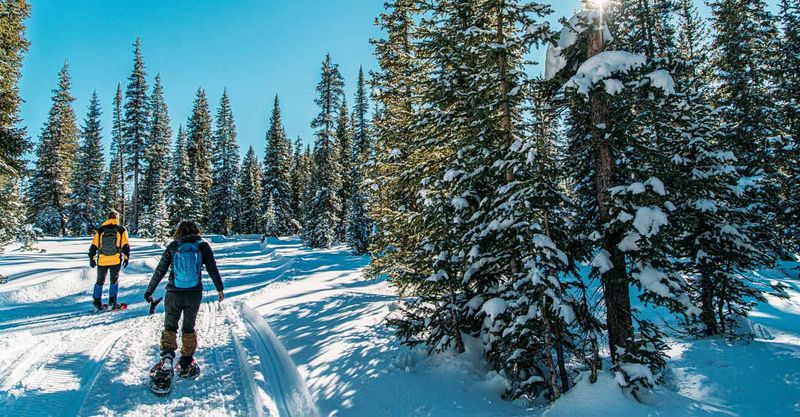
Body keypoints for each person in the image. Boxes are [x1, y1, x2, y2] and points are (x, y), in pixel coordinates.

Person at [144, 220, 224, 380]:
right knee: (189, 327)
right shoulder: (203, 246)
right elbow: (212, 268)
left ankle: (167, 358)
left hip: (174, 293)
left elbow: (160, 270)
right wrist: (219, 289)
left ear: (179, 232)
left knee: (170, 325)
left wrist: (149, 291)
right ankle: (186, 362)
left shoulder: (174, 246)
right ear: (197, 231)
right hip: (194, 294)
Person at [88, 210, 130, 310]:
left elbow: (94, 245)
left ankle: (97, 303)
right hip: (115, 260)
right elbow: (125, 245)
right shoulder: (121, 229)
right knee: (114, 281)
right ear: (117, 218)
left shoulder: (101, 230)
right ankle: (112, 303)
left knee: (99, 281)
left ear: (108, 218)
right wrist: (126, 258)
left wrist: (92, 258)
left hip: (102, 260)